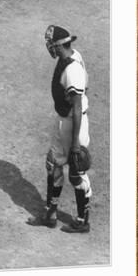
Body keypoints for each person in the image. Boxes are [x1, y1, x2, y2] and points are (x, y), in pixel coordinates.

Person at [40, 25, 93, 233]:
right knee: (53, 163)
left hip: (74, 124)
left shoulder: (72, 70)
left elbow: (78, 107)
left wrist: (75, 144)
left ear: (57, 46)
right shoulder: (70, 56)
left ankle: (82, 220)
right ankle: (50, 213)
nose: (49, 48)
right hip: (64, 119)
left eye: (50, 45)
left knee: (76, 170)